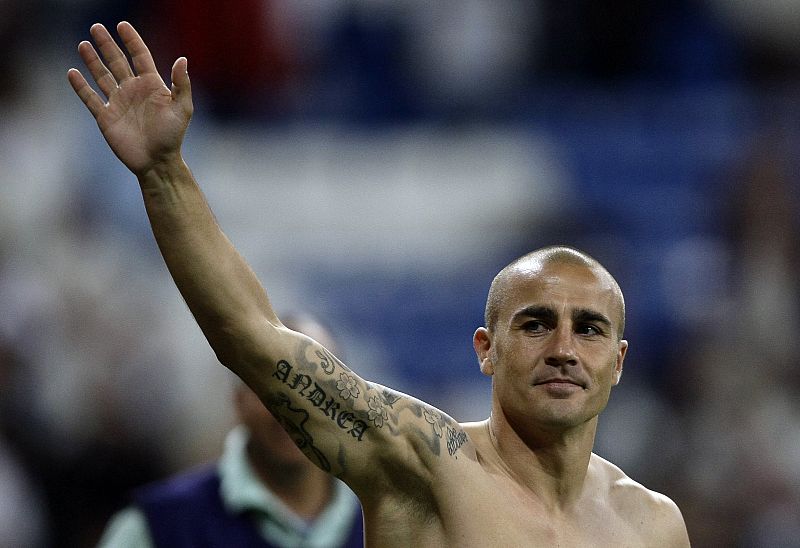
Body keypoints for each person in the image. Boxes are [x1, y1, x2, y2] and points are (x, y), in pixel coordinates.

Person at [68, 22, 691, 547]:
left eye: (589, 328)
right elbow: (251, 335)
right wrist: (163, 173)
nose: (563, 347)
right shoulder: (424, 465)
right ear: (486, 349)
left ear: (618, 361)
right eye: (534, 322)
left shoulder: (653, 526)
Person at [97, 314, 364, 548]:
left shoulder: (389, 522)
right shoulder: (160, 527)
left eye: (314, 387)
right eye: (271, 386)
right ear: (238, 399)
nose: (294, 408)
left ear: (344, 403)